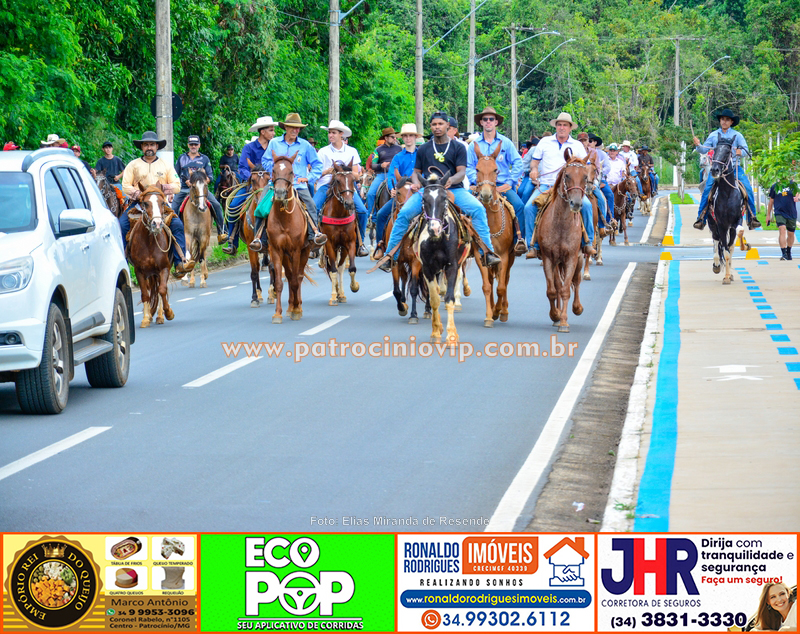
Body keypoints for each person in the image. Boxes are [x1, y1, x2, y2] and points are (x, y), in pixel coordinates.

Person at [377, 111, 501, 271]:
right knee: (403, 214)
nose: (437, 127)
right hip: (428, 191)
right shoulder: (424, 149)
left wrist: (451, 180)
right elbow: (416, 172)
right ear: (431, 126)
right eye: (434, 124)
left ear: (447, 125)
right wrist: (416, 183)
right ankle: (390, 256)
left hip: (454, 190)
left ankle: (487, 252)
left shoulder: (458, 147)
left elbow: (461, 172)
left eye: (440, 124)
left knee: (478, 209)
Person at [119, 131, 195, 277]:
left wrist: (159, 191)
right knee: (121, 226)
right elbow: (125, 186)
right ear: (142, 147)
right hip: (139, 204)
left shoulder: (165, 165)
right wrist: (140, 194)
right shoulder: (133, 165)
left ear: (157, 147)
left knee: (177, 225)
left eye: (152, 144)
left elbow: (177, 185)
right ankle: (123, 266)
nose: (149, 147)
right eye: (146, 144)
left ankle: (180, 262)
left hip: (160, 205)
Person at [523, 112, 596, 259]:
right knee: (528, 207)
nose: (562, 127)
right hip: (546, 184)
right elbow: (534, 162)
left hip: (571, 187)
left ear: (570, 128)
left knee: (587, 206)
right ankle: (533, 246)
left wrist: (586, 180)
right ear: (556, 126)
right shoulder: (545, 142)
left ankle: (588, 242)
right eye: (559, 125)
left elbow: (586, 166)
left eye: (565, 125)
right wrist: (534, 169)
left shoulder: (577, 145)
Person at [260, 112, 326, 249]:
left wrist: (308, 178)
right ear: (286, 127)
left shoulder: (305, 145)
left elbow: (318, 165)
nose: (296, 130)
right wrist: (276, 171)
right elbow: (265, 160)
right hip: (276, 184)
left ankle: (314, 236)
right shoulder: (274, 143)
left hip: (298, 185)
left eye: (298, 128)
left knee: (311, 205)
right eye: (293, 127)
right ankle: (259, 238)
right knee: (261, 205)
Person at [466, 106, 526, 254]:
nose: (488, 121)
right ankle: (464, 242)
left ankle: (519, 240)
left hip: (501, 185)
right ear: (481, 122)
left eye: (491, 119)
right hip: (480, 185)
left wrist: (510, 182)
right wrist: (476, 181)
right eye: (485, 119)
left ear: (496, 122)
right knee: (462, 206)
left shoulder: (506, 143)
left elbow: (518, 163)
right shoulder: (473, 145)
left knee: (519, 206)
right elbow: (468, 166)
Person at [692, 108, 760, 230]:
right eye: (722, 119)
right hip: (717, 169)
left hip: (735, 168)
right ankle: (701, 218)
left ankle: (752, 218)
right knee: (707, 190)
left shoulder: (737, 135)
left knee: (748, 189)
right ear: (720, 121)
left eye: (727, 120)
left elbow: (746, 150)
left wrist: (740, 152)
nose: (724, 121)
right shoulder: (713, 135)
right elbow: (704, 149)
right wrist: (698, 145)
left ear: (731, 122)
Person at [313, 119, 369, 256]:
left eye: (333, 133)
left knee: (362, 211)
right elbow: (316, 173)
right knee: (313, 207)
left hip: (346, 186)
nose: (330, 135)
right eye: (329, 133)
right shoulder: (323, 152)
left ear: (341, 134)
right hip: (327, 184)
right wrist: (328, 171)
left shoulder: (351, 151)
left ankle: (360, 243)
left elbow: (356, 175)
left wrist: (344, 173)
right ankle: (314, 241)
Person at [222, 116, 276, 254]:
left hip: (271, 185)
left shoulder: (275, 147)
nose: (274, 133)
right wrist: (252, 178)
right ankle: (232, 242)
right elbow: (242, 167)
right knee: (233, 206)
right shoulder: (249, 148)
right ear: (262, 132)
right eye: (271, 130)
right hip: (252, 185)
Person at [372, 123, 422, 259]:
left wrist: (420, 185)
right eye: (405, 136)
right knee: (381, 214)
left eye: (411, 135)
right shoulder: (398, 157)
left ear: (415, 137)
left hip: (419, 192)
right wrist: (392, 188)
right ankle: (380, 245)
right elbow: (391, 176)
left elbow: (425, 174)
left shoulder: (422, 155)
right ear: (402, 138)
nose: (408, 138)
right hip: (402, 191)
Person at [172, 135, 227, 243]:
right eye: (191, 144)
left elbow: (210, 177)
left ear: (199, 145)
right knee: (173, 209)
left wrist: (200, 183)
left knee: (216, 205)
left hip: (201, 189)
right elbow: (175, 174)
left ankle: (222, 231)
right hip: (184, 189)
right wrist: (184, 182)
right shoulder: (181, 158)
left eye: (195, 144)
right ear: (188, 145)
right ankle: (172, 234)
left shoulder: (204, 159)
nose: (193, 146)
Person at [577, 132, 613, 233]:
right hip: (578, 181)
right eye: (580, 141)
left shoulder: (594, 152)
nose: (583, 142)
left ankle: (602, 225)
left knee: (601, 199)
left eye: (585, 140)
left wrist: (593, 182)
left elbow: (597, 169)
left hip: (591, 180)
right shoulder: (575, 151)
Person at [366, 127, 402, 219]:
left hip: (396, 175)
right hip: (382, 175)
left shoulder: (400, 149)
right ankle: (372, 216)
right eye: (392, 137)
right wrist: (381, 165)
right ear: (386, 138)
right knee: (370, 193)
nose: (395, 139)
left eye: (395, 137)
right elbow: (373, 165)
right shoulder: (377, 150)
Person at [766, 181, 799, 260]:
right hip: (779, 212)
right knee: (782, 229)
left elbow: (798, 194)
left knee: (791, 234)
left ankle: (788, 251)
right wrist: (768, 215)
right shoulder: (775, 186)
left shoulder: (793, 185)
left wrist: (798, 198)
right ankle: (784, 253)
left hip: (791, 213)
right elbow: (771, 201)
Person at [588, 134, 615, 226]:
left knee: (609, 194)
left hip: (600, 179)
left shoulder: (602, 154)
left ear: (595, 143)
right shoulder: (582, 152)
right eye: (586, 141)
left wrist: (599, 173)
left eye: (590, 141)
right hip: (585, 180)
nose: (588, 143)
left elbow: (608, 167)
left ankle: (609, 220)